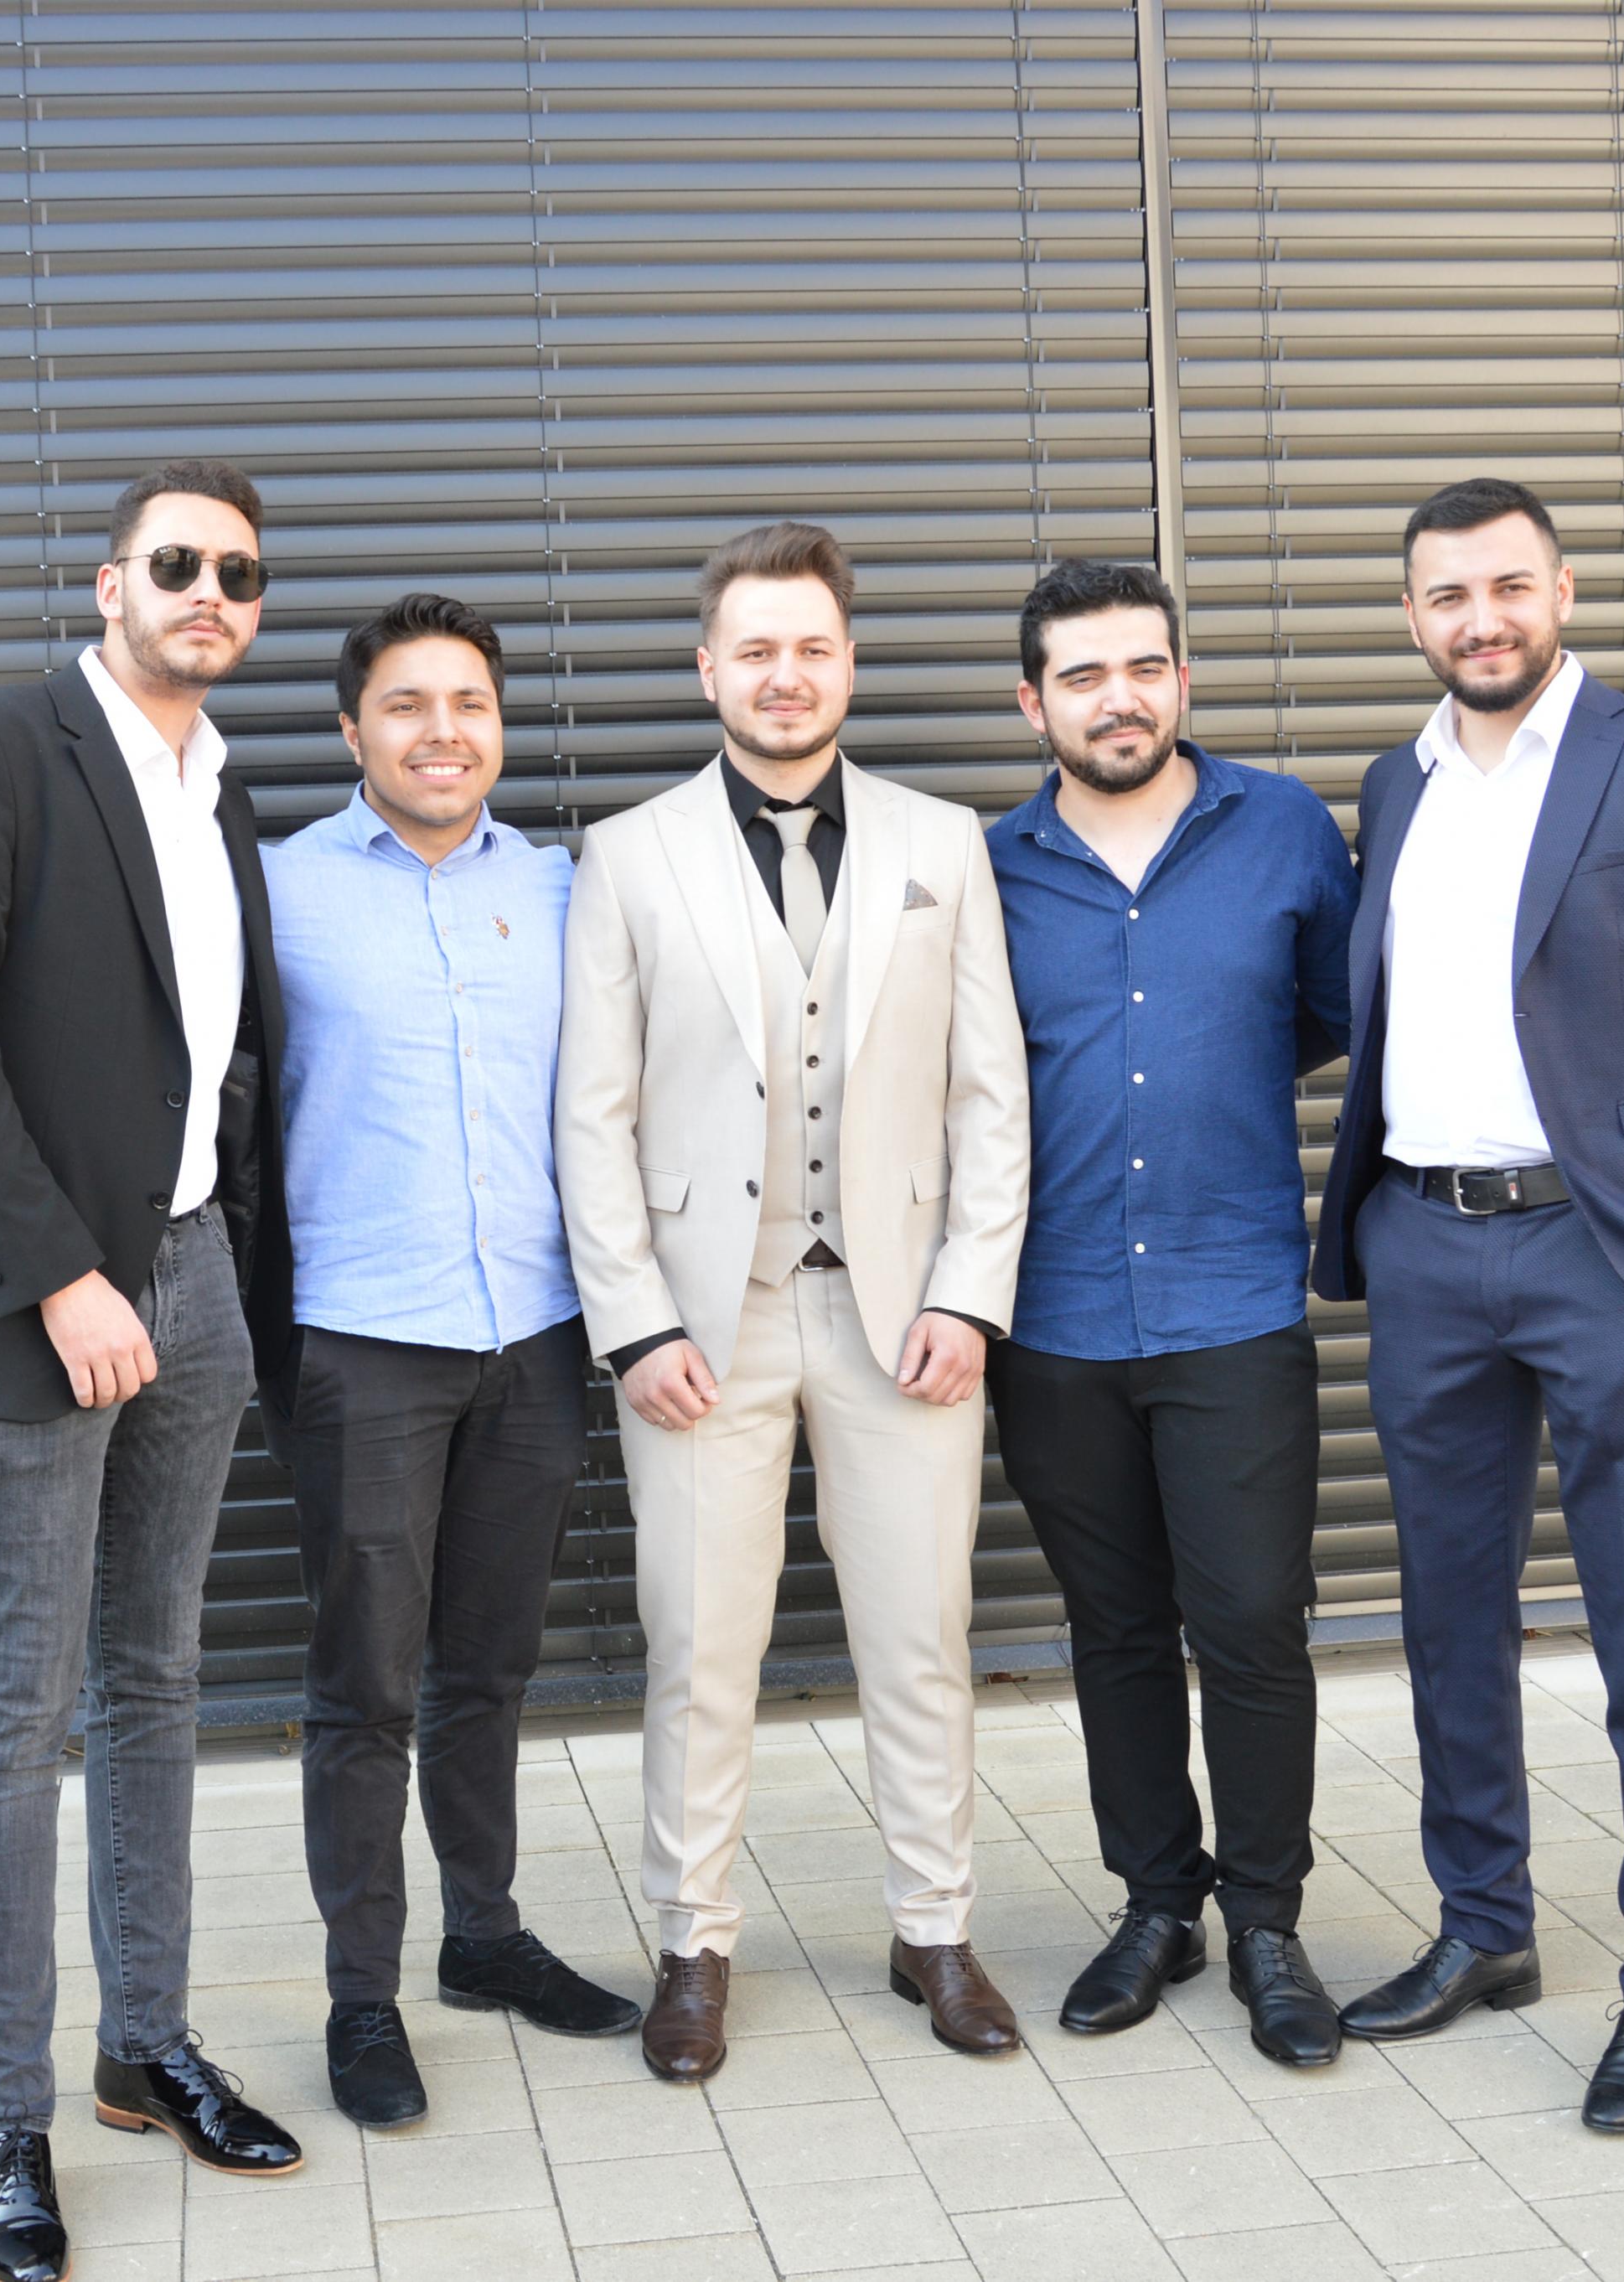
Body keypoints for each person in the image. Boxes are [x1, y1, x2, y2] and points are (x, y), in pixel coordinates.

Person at [0, 459, 308, 2282]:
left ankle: (146, 2044)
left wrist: (211, 1262)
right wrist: (57, 1276)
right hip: (23, 1303)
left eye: (240, 574)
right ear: (109, 582)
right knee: (15, 1709)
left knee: (156, 1677)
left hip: (192, 1279)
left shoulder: (221, 785)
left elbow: (215, 1049)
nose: (210, 592)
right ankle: (4, 2121)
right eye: (176, 561)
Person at [1310, 477, 1624, 2134]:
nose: (1481, 619)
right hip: (1424, 1248)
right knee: (1447, 1618)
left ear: (1562, 590)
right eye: (1447, 595)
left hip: (1608, 1255)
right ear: (1411, 616)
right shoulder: (1396, 782)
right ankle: (1486, 1927)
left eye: (1507, 585)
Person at [556, 520, 1033, 2081]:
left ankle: (933, 1929)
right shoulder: (628, 855)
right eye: (755, 649)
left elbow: (990, 1096)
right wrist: (635, 1323)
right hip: (708, 1322)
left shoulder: (943, 843)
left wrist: (970, 1296)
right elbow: (593, 1113)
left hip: (905, 1319)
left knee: (922, 1636)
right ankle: (693, 1946)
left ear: (848, 664)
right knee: (700, 1649)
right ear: (710, 670)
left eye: (810, 647)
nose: (784, 674)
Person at [259, 593, 645, 2129]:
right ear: (352, 731)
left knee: (488, 1666)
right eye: (407, 705)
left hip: (535, 1335)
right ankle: (362, 1996)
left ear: (499, 724)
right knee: (365, 1684)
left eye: (469, 702)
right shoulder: (276, 892)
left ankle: (483, 1934)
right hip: (364, 1341)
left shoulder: (562, 889)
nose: (443, 732)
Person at [981, 560, 1358, 2067]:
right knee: (1116, 1629)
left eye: (1144, 667)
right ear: (1035, 704)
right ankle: (1158, 1904)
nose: (1119, 698)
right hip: (1053, 1317)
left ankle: (1267, 1921)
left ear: (1181, 681)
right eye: (1082, 675)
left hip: (1232, 1301)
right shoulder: (989, 868)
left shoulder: (1285, 829)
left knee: (1254, 1623)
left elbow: (1328, 1014)